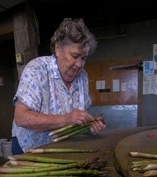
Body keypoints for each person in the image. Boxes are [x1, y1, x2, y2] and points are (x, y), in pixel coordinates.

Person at [11, 17, 106, 154]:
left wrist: (89, 125)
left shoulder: (83, 77)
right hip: (29, 148)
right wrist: (65, 119)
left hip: (61, 147)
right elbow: (21, 117)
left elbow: (78, 117)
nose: (79, 64)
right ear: (58, 49)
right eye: (74, 56)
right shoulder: (37, 69)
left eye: (83, 58)